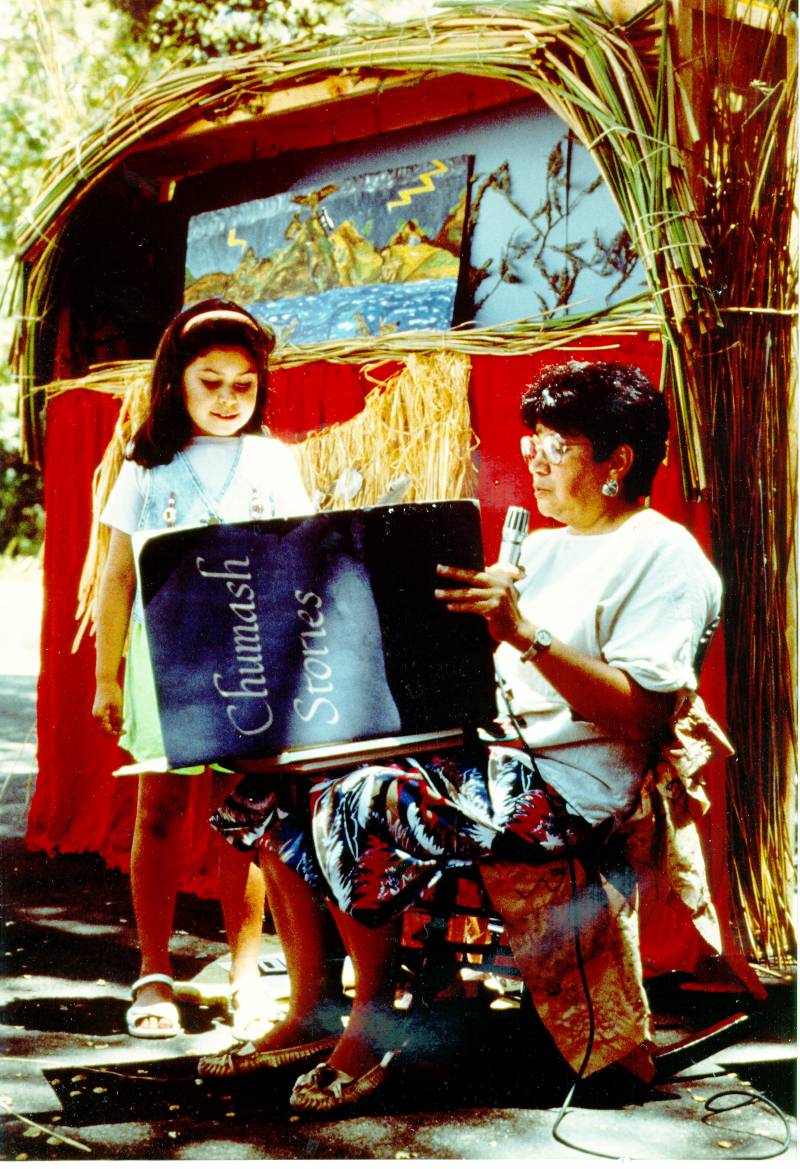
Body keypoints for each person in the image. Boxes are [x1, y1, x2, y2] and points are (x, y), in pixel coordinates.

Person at [201, 360, 722, 1109]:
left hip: (567, 787)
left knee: (359, 797)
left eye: (557, 443)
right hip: (494, 754)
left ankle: (371, 1022)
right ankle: (312, 1007)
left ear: (617, 461)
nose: (533, 457)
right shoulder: (542, 546)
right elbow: (484, 674)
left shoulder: (663, 555)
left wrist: (525, 632)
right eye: (531, 438)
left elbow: (642, 713)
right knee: (271, 783)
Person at [92, 298, 311, 1039]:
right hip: (169, 666)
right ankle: (154, 968)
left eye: (243, 385)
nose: (226, 399)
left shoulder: (274, 462)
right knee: (159, 812)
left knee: (242, 822)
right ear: (175, 381)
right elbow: (116, 576)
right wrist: (107, 676)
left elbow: (298, 561)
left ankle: (245, 972)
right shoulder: (146, 464)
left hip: (252, 664)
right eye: (210, 381)